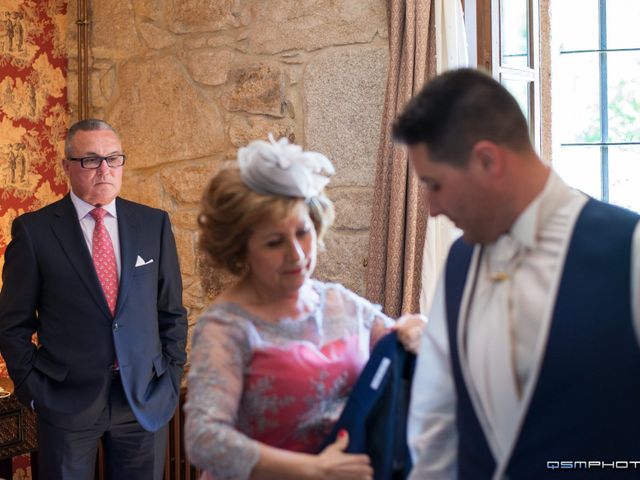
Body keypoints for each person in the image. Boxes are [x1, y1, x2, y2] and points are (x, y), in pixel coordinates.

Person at [393, 67, 640, 479]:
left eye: (434, 185)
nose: (431, 209)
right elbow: (435, 422)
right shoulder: (459, 262)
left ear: (487, 160)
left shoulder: (628, 249)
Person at [184, 136, 426, 480]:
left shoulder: (339, 302)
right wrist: (313, 469)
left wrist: (417, 328)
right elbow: (203, 440)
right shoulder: (226, 326)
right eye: (274, 242)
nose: (296, 254)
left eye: (303, 232)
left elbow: (397, 340)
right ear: (240, 249)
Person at [0, 118, 188, 480]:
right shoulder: (35, 232)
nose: (104, 169)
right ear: (67, 166)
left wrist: (170, 376)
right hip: (66, 403)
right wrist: (35, 391)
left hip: (143, 401)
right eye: (90, 159)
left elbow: (171, 311)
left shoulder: (153, 224)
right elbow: (12, 325)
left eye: (113, 158)